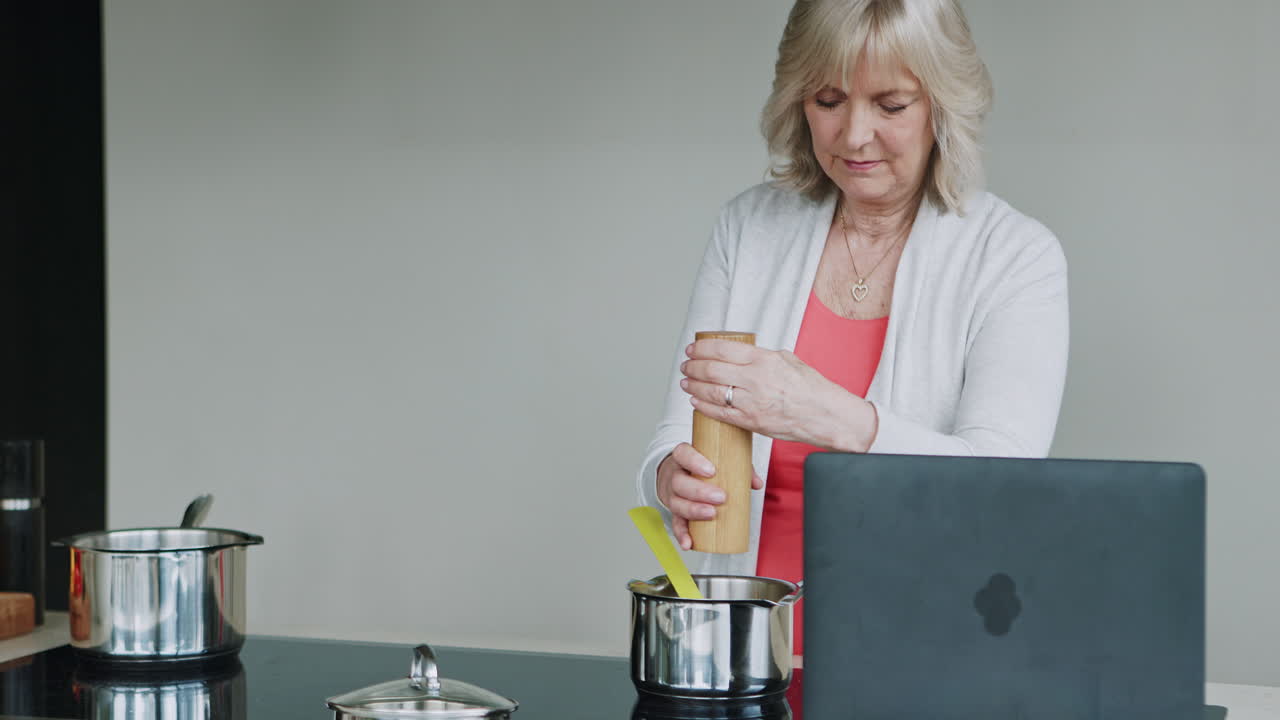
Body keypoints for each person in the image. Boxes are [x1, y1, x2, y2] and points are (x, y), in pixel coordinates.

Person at [634, 0, 1069, 656]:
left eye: (890, 105)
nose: (854, 136)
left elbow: (1002, 492)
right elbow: (676, 432)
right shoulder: (750, 229)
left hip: (925, 654)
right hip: (748, 653)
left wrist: (836, 419)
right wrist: (671, 476)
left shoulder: (1015, 257)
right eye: (829, 100)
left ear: (941, 105)